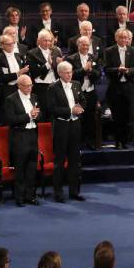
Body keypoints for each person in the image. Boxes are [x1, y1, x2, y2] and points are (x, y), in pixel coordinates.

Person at [48, 61, 85, 203]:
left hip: (75, 126)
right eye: (67, 72)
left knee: (75, 161)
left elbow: (83, 100)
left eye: (71, 72)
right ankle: (58, 193)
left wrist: (80, 109)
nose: (70, 75)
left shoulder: (76, 84)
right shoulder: (53, 88)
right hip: (61, 127)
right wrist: (70, 110)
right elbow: (52, 109)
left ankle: (74, 192)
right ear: (60, 73)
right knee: (59, 161)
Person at [3, 75, 42, 206]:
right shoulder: (11, 99)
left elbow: (40, 114)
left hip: (32, 134)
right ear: (19, 86)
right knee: (20, 168)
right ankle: (19, 198)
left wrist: (36, 116)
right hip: (19, 136)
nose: (29, 88)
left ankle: (30, 196)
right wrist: (28, 116)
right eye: (27, 86)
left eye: (31, 85)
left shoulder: (34, 97)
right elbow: (10, 119)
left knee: (32, 167)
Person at [104, 28, 134, 149]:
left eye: (125, 37)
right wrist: (118, 70)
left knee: (128, 115)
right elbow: (106, 69)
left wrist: (128, 71)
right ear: (116, 38)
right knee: (117, 116)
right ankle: (118, 142)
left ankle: (125, 141)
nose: (123, 39)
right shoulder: (109, 51)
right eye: (121, 37)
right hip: (115, 87)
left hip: (129, 87)